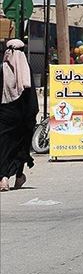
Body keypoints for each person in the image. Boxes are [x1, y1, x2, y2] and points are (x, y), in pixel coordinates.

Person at [0, 39, 38, 192]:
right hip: (23, 116)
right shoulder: (25, 69)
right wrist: (32, 116)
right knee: (21, 146)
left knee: (4, 147)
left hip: (5, 116)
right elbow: (31, 98)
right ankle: (19, 176)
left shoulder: (2, 69)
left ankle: (3, 177)